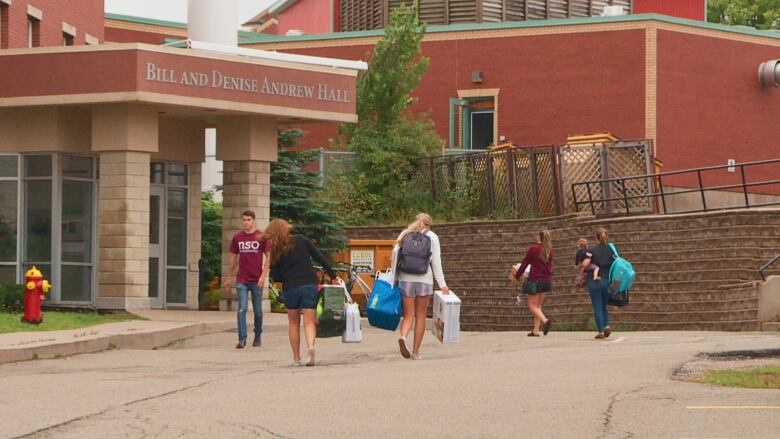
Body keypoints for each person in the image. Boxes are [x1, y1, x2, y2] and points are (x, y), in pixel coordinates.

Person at [264, 219, 338, 367]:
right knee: (309, 321)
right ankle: (310, 346)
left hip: (290, 287)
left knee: (293, 322)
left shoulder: (276, 249)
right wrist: (333, 275)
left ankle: (296, 358)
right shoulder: (302, 240)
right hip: (308, 284)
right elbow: (320, 257)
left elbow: (276, 276)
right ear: (286, 228)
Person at [394, 213, 448, 360]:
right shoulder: (433, 237)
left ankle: (403, 337)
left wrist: (394, 278)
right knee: (421, 316)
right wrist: (443, 285)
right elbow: (436, 263)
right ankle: (416, 352)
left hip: (406, 279)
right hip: (425, 279)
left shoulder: (405, 234)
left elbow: (395, 255)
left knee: (408, 315)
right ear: (429, 224)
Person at [223, 210, 270, 349]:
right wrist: (229, 277)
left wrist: (263, 275)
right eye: (244, 220)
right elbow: (233, 258)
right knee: (242, 308)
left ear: (254, 221)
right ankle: (242, 338)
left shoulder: (261, 236)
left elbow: (268, 256)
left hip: (257, 279)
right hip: (242, 279)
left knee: (258, 310)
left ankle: (257, 335)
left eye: (248, 219)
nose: (246, 222)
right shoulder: (238, 237)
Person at [513, 230, 554, 337]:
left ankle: (545, 321)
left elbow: (525, 263)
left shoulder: (533, 249)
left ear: (539, 237)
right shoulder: (549, 250)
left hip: (535, 280)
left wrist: (517, 276)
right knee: (538, 306)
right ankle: (535, 331)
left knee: (532, 305)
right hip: (546, 280)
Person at [581, 227, 614, 340]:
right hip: (607, 281)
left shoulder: (592, 250)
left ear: (596, 237)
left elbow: (585, 264)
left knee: (597, 307)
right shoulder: (612, 249)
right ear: (606, 236)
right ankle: (607, 325)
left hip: (594, 282)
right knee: (604, 305)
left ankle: (600, 331)